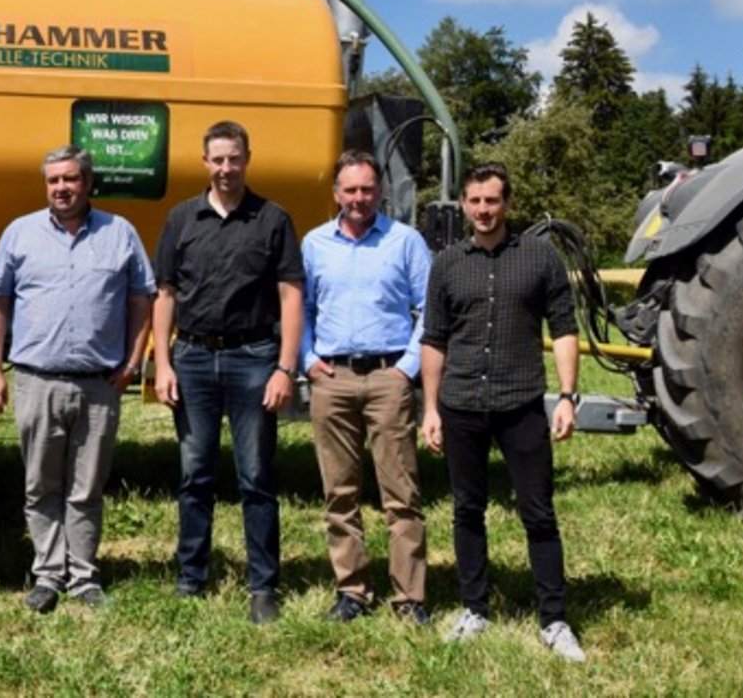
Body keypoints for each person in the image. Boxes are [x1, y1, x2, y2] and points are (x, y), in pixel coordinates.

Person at [420, 161, 587, 663]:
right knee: (467, 510)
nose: (483, 210)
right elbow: (434, 339)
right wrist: (430, 407)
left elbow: (563, 328)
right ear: (464, 205)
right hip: (462, 403)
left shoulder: (540, 258)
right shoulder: (447, 263)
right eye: (474, 201)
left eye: (491, 200)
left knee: (538, 511)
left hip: (520, 404)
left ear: (507, 203)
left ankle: (554, 619)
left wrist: (568, 396)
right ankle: (475, 608)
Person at [0, 145, 155, 613]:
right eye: (54, 180)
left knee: (87, 486)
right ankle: (47, 574)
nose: (61, 188)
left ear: (88, 182)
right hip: (37, 381)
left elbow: (142, 298)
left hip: (100, 383)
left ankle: (83, 576)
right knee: (40, 485)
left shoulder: (120, 233)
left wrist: (134, 359)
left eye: (70, 179)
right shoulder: (21, 233)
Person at [152, 120, 304, 625]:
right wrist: (163, 362)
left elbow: (290, 295)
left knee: (256, 477)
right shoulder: (180, 219)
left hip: (254, 359)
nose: (224, 168)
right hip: (192, 360)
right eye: (216, 159)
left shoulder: (273, 219)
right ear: (204, 163)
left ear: (247, 159)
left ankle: (263, 586)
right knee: (194, 476)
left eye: (233, 158)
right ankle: (191, 577)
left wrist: (285, 366)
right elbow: (166, 295)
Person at [300, 149, 430, 625]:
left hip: (387, 377)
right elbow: (302, 310)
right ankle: (352, 591)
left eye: (367, 189)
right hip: (331, 379)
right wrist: (308, 360)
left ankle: (409, 597)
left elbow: (430, 309)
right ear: (336, 193)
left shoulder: (405, 242)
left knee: (402, 495)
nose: (359, 198)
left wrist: (407, 368)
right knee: (340, 493)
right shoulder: (314, 244)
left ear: (380, 191)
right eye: (350, 189)